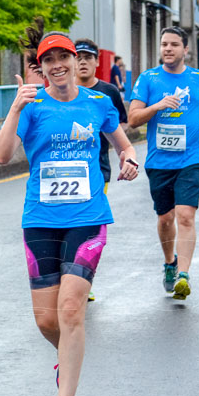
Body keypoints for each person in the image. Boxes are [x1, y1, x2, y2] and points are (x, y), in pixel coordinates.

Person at [0, 31, 139, 396]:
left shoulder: (98, 103)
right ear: (41, 68)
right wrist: (14, 108)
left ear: (77, 61)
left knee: (72, 310)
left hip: (87, 216)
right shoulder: (32, 104)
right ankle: (66, 354)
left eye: (64, 57)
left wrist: (130, 160)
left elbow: (123, 145)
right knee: (45, 319)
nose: (57, 65)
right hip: (40, 218)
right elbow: (2, 156)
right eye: (49, 60)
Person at [128, 27, 199, 300]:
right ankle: (170, 262)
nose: (168, 49)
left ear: (185, 49)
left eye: (174, 45)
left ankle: (183, 275)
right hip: (159, 161)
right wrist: (156, 106)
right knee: (165, 217)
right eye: (164, 44)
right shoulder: (148, 79)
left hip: (192, 157)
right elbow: (133, 119)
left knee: (185, 216)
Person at [74, 39, 128, 302]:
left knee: (88, 228)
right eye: (78, 57)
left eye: (88, 57)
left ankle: (85, 279)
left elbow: (122, 129)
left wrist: (123, 153)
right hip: (63, 175)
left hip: (98, 171)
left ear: (97, 62)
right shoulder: (58, 92)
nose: (83, 61)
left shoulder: (108, 93)